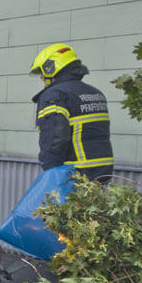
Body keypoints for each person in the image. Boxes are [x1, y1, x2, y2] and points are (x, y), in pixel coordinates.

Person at [29, 43, 113, 182]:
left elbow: (55, 139)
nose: (42, 78)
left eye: (42, 73)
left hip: (72, 176)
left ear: (51, 68)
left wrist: (50, 175)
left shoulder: (55, 95)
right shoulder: (95, 93)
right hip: (102, 173)